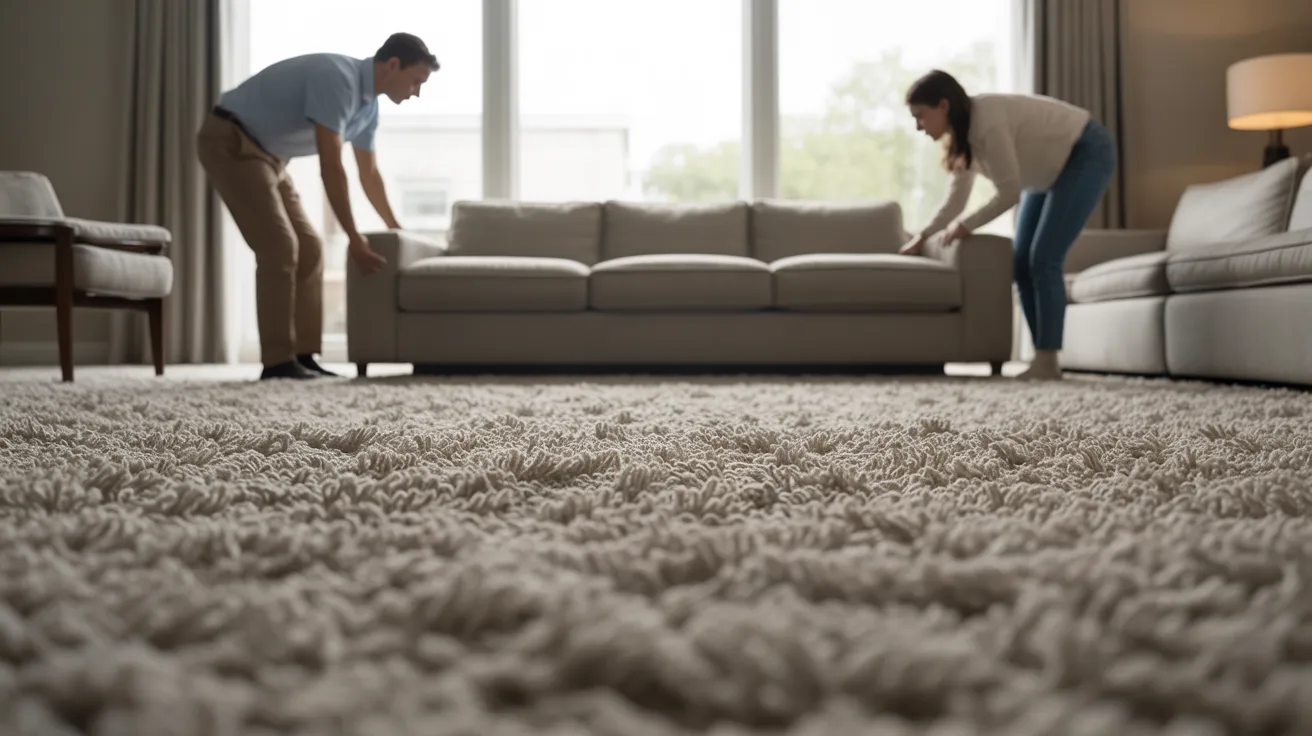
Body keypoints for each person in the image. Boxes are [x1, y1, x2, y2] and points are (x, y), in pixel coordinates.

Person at [197, 33, 439, 380]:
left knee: (310, 248)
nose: (416, 91)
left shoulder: (368, 109)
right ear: (393, 65)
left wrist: (394, 227)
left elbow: (368, 174)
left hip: (270, 157)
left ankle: (303, 356)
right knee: (279, 248)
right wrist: (354, 237)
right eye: (416, 81)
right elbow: (331, 167)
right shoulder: (337, 79)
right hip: (230, 139)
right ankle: (278, 363)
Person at [898, 70, 1116, 381]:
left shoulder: (987, 120)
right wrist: (923, 236)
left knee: (1043, 258)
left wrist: (966, 226)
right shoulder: (963, 139)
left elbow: (1009, 193)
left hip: (1085, 150)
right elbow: (955, 202)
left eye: (920, 116)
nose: (918, 126)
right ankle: (1046, 360)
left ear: (943, 106)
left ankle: (1047, 358)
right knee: (1020, 260)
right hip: (1044, 174)